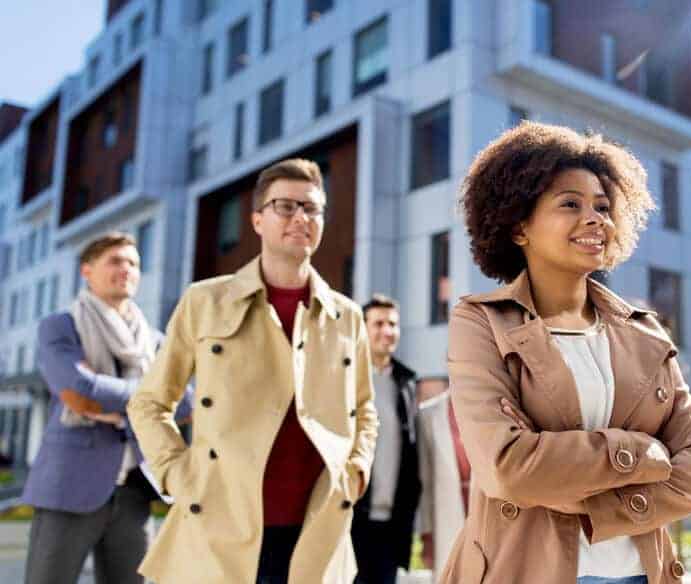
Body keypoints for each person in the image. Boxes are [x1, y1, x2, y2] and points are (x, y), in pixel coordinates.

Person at [441, 122, 691, 584]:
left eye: (602, 206)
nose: (597, 219)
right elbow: (509, 467)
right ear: (519, 226)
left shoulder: (647, 334)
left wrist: (591, 500)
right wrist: (639, 452)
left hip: (643, 574)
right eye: (570, 204)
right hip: (522, 571)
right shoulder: (482, 324)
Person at [127, 158, 379, 584]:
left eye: (312, 208)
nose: (301, 217)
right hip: (219, 529)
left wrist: (356, 470)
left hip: (315, 532)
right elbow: (150, 402)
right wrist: (179, 474)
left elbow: (363, 407)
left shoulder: (347, 315)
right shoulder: (204, 301)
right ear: (258, 220)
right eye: (286, 206)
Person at [23, 232, 192, 584]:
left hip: (134, 491)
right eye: (115, 261)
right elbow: (79, 390)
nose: (127, 269)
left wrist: (111, 401)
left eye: (134, 263)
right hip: (69, 488)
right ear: (87, 270)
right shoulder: (61, 327)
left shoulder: (156, 340)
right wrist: (150, 401)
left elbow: (186, 401)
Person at [352, 294, 421, 584]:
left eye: (392, 324)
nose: (387, 331)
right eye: (378, 323)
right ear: (363, 329)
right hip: (351, 519)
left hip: (392, 524)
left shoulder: (406, 382)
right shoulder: (347, 376)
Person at [417, 389, 470, 580]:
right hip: (446, 516)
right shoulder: (428, 414)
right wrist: (427, 534)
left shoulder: (492, 407)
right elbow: (425, 481)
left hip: (488, 513)